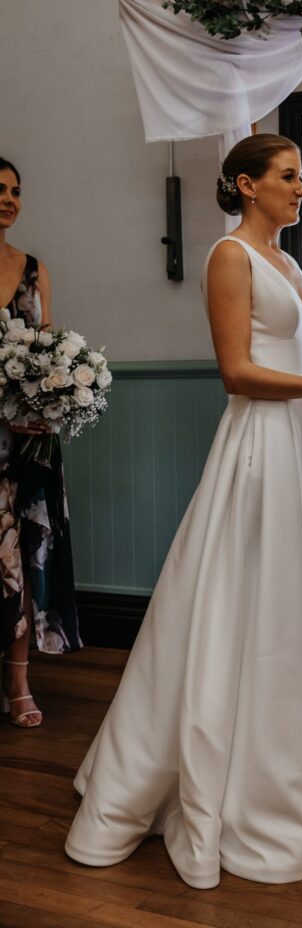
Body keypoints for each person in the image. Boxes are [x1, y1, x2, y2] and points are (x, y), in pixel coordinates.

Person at [65, 133, 302, 888]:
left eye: (301, 178)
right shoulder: (227, 257)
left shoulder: (288, 262)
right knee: (248, 599)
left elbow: (287, 357)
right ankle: (234, 782)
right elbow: (238, 373)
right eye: (289, 177)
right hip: (260, 447)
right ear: (246, 184)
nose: (301, 189)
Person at [0, 157, 81, 729]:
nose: (9, 199)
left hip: (27, 445)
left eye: (16, 191)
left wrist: (50, 405)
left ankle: (20, 680)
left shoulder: (33, 269)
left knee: (28, 559)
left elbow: (47, 355)